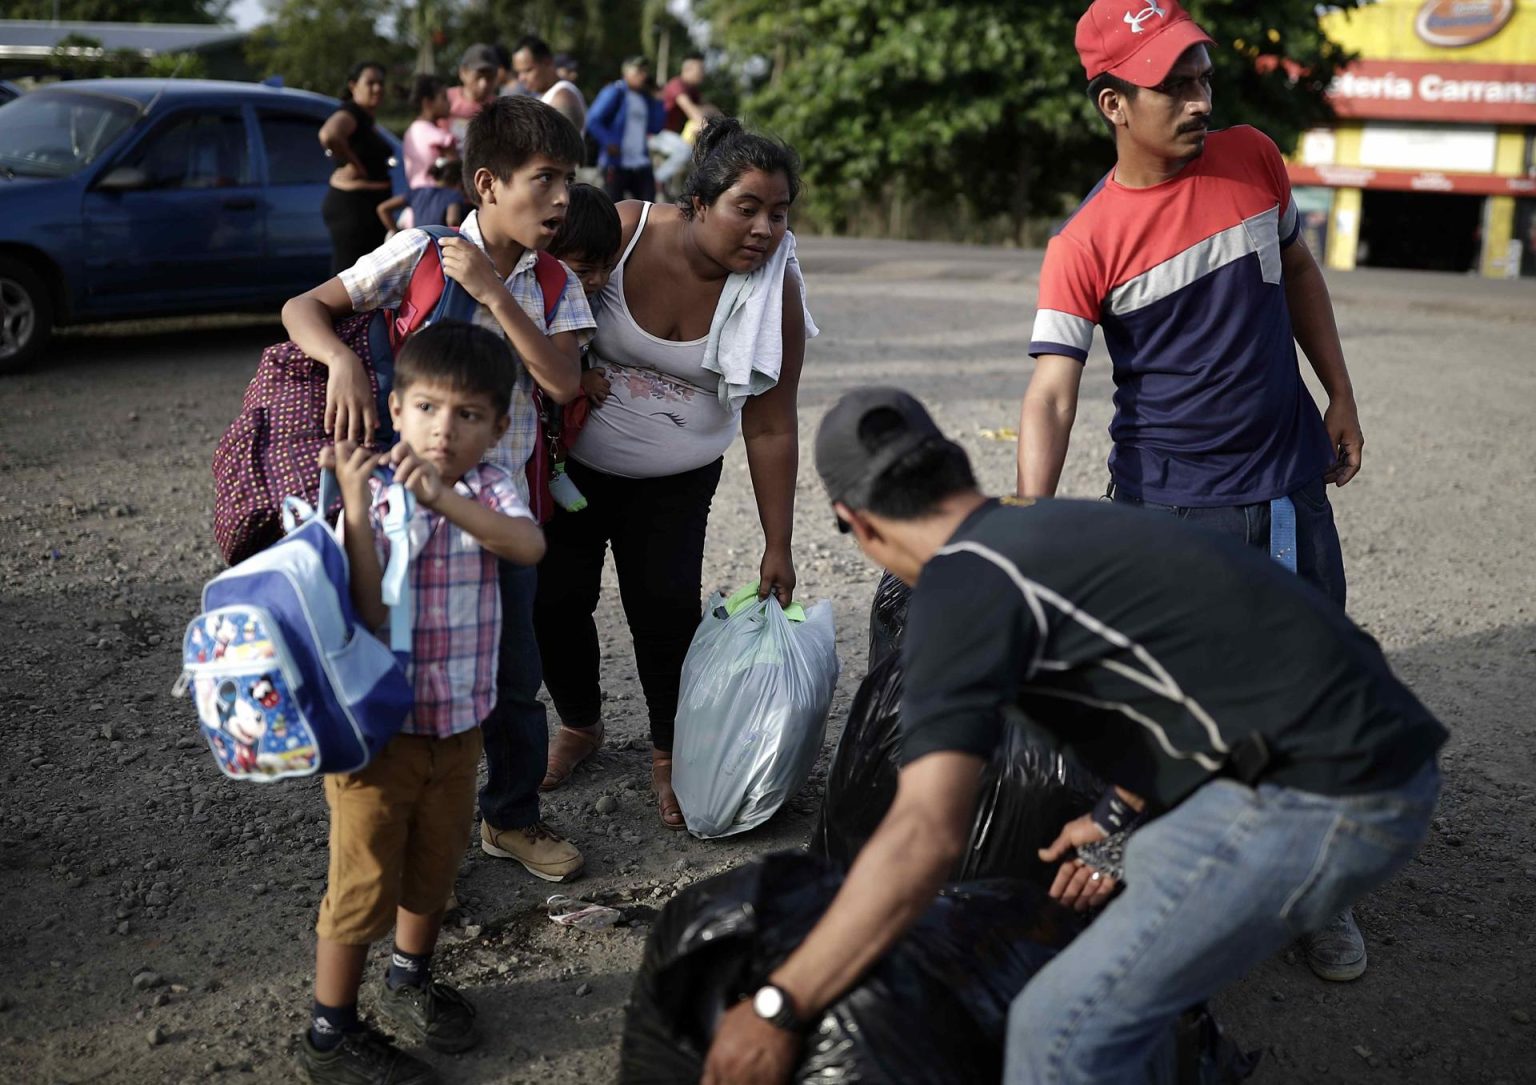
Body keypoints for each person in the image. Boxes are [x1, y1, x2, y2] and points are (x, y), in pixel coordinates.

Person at [702, 386, 1444, 1085]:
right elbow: (1179, 684)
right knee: (1126, 926)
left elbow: (925, 834)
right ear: (954, 464)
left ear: (856, 522)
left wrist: (780, 1002)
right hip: (1366, 750)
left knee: (1057, 1027)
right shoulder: (1044, 527)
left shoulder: (962, 586)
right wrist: (1121, 810)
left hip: (1330, 796)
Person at [1017, 0, 1370, 980]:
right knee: (1169, 712)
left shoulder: (1254, 157)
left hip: (1289, 485)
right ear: (1111, 104)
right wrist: (1032, 521)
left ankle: (1317, 897)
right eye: (1171, 84)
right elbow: (1052, 390)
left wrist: (1338, 390)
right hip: (1171, 508)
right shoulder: (1085, 240)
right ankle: (1163, 881)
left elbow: (1298, 267)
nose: (1196, 100)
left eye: (1201, 77)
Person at [281, 96, 597, 885]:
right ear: (487, 183)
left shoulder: (555, 283)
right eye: (545, 179)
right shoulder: (418, 250)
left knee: (513, 675)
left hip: (499, 514)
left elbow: (561, 382)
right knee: (403, 658)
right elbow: (303, 307)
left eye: (570, 180)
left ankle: (511, 817)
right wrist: (343, 362)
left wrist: (494, 291)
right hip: (405, 513)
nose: (562, 199)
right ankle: (404, 833)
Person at [532, 118, 813, 829]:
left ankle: (669, 748)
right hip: (575, 466)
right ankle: (581, 723)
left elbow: (772, 424)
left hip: (677, 481)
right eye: (745, 207)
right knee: (554, 600)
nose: (764, 229)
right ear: (697, 204)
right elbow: (532, 288)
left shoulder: (773, 292)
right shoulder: (621, 232)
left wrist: (777, 543)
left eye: (778, 214)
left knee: (663, 608)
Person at [296, 321, 548, 1084]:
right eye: (429, 409)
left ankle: (410, 978)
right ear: (395, 411)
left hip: (459, 728)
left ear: (499, 428)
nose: (446, 428)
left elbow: (528, 545)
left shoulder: (490, 488)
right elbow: (369, 610)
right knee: (362, 880)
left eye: (469, 414)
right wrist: (357, 503)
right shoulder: (369, 492)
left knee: (434, 867)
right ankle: (329, 1032)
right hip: (379, 737)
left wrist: (443, 495)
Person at [541, 182, 623, 512]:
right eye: (584, 270)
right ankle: (552, 473)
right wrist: (582, 381)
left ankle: (556, 472)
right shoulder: (541, 296)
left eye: (607, 268)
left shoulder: (590, 295)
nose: (598, 280)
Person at [317, 61, 394, 275]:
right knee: (350, 279)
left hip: (367, 209)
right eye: (370, 83)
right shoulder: (352, 113)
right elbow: (329, 135)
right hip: (353, 209)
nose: (377, 88)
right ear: (353, 86)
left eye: (380, 83)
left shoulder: (366, 119)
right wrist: (353, 163)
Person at [585, 56, 665, 203]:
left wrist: (658, 101)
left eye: (645, 72)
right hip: (616, 163)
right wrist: (608, 141)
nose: (643, 76)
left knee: (648, 207)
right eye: (638, 71)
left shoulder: (645, 98)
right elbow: (593, 120)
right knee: (613, 208)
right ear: (626, 72)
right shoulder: (615, 92)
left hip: (640, 163)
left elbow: (656, 127)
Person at [654, 53, 709, 195]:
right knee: (685, 150)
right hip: (656, 134)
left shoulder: (693, 91)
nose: (703, 73)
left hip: (671, 137)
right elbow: (695, 114)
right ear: (688, 69)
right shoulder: (676, 85)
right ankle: (657, 180)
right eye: (700, 69)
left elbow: (708, 111)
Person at [512, 34, 586, 132]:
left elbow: (565, 145)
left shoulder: (562, 97)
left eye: (528, 70)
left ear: (547, 62)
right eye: (518, 72)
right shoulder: (546, 95)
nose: (521, 78)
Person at [376, 159, 467, 235]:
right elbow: (453, 220)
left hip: (418, 240)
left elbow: (382, 208)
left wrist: (396, 231)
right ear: (460, 182)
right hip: (438, 242)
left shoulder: (417, 192)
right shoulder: (453, 195)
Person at [402, 74, 457, 192]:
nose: (449, 103)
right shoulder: (440, 137)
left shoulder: (411, 131)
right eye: (444, 98)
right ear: (428, 103)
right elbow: (455, 170)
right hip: (441, 200)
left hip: (417, 201)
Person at [445, 44, 501, 144]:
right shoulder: (445, 100)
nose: (483, 84)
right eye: (478, 77)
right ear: (463, 73)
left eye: (490, 78)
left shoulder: (499, 108)